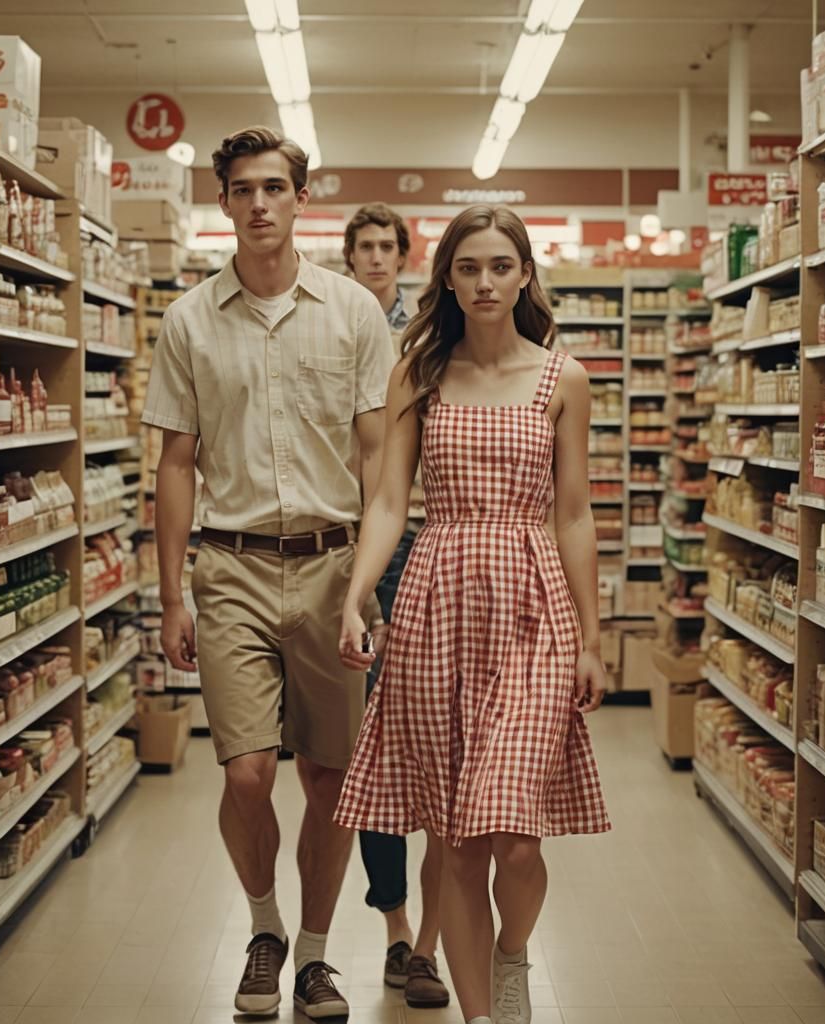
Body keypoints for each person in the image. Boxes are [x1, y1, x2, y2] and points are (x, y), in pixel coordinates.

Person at [334, 205, 611, 1024]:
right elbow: (389, 500)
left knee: (516, 837)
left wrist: (592, 640)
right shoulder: (417, 371)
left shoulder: (563, 378)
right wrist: (357, 595)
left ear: (525, 273)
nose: (484, 282)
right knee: (456, 838)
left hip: (534, 610)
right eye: (468, 268)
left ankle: (513, 951)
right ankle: (482, 1015)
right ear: (446, 278)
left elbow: (573, 514)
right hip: (436, 603)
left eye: (500, 266)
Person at [142, 125, 393, 1020]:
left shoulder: (354, 313)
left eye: (274, 189)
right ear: (224, 204)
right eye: (243, 190)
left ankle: (317, 957)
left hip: (332, 571)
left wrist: (368, 589)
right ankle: (263, 928)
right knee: (247, 775)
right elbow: (176, 464)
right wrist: (171, 594)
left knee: (329, 780)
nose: (259, 205)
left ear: (300, 198)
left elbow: (376, 463)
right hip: (233, 568)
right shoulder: (188, 320)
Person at [343, 204, 448, 1007]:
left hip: (420, 543)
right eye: (365, 246)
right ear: (347, 256)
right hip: (339, 539)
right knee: (371, 745)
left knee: (429, 735)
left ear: (403, 257)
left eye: (388, 247)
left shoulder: (430, 332)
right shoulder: (330, 325)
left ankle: (435, 937)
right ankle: (398, 929)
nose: (376, 257)